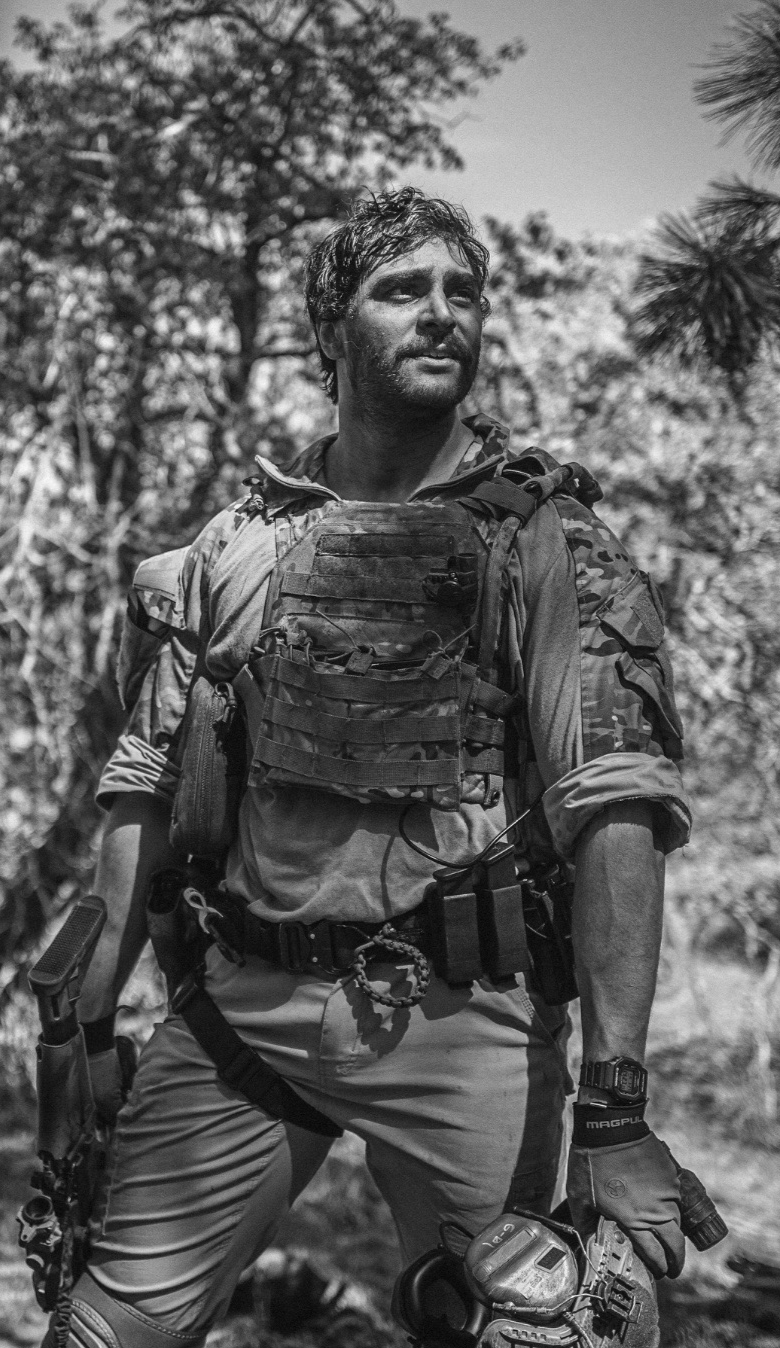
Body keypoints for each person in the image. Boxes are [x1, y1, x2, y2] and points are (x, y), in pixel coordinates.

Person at [67, 187, 692, 1348]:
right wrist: (89, 1024)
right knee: (101, 1333)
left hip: (466, 1028)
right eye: (403, 290)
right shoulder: (242, 543)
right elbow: (144, 781)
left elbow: (618, 810)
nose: (442, 314)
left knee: (526, 1332)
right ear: (330, 331)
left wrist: (617, 1112)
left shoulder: (542, 540)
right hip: (245, 1011)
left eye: (464, 293)